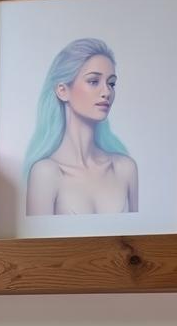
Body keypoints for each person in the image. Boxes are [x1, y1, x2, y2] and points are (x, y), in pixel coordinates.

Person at [25, 38, 138, 215]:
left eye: (111, 83)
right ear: (62, 91)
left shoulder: (125, 169)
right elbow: (38, 243)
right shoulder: (45, 173)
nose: (107, 92)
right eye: (93, 81)